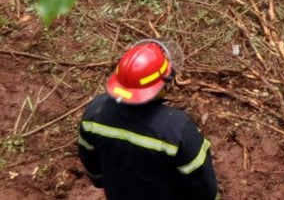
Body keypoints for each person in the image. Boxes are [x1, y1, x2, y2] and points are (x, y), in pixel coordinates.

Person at [75, 39, 218, 200]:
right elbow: (204, 187)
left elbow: (92, 165)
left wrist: (103, 182)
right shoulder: (177, 129)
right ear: (163, 84)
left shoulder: (95, 112)